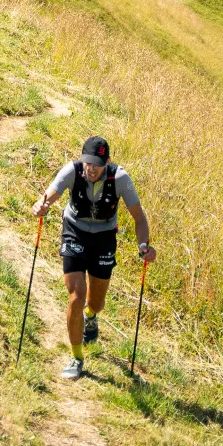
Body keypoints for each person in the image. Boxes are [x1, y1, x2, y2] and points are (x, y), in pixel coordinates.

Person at [31, 135, 155, 379]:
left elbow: (139, 218)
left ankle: (90, 317)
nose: (91, 168)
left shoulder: (120, 178)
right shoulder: (72, 171)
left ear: (107, 162)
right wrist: (40, 207)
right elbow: (47, 197)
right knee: (76, 297)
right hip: (74, 231)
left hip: (104, 237)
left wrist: (144, 246)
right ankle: (76, 357)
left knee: (95, 303)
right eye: (88, 162)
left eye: (97, 164)